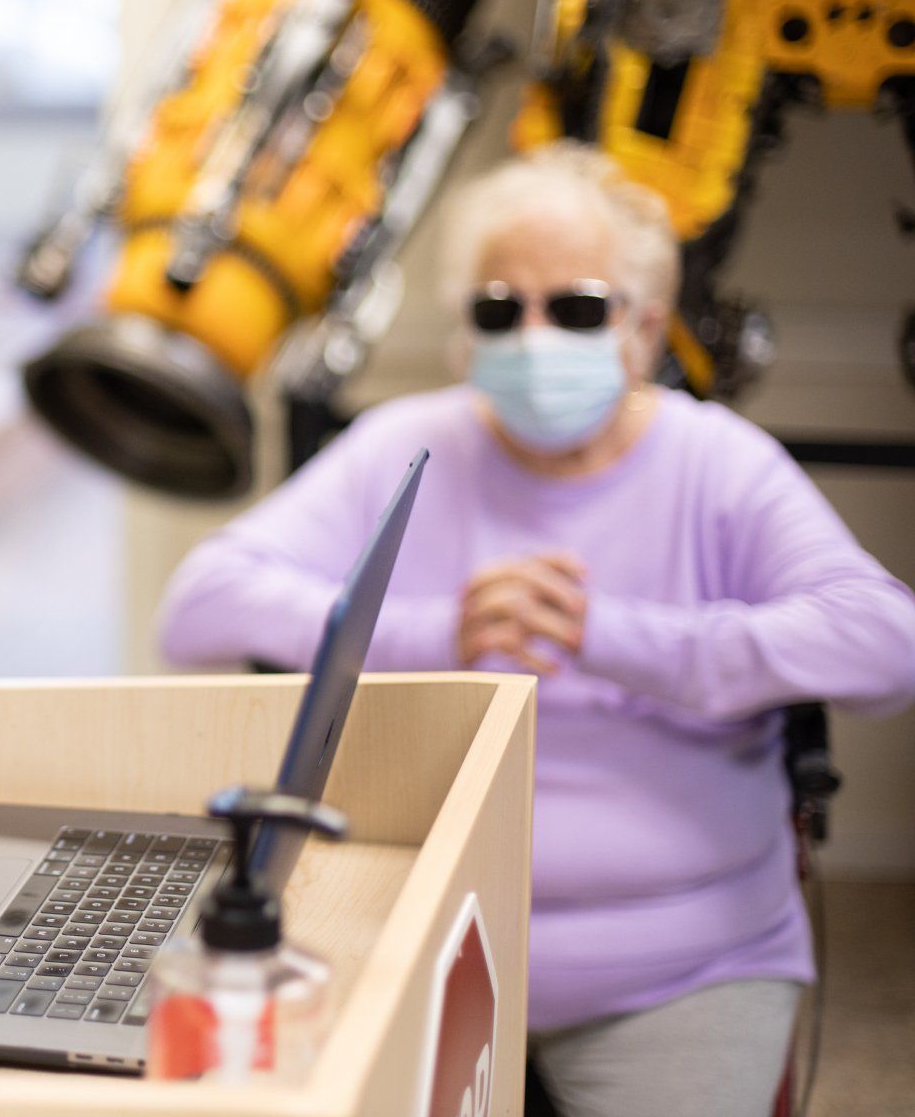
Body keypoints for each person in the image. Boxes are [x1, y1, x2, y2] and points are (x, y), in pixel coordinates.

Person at [157, 143, 915, 1117]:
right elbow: (199, 602)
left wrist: (615, 637)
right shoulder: (406, 444)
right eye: (498, 308)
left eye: (579, 307)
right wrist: (440, 633)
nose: (535, 334)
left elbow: (886, 642)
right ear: (466, 335)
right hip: (408, 930)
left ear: (644, 330)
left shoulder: (718, 463)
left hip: (680, 961)